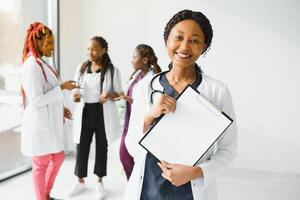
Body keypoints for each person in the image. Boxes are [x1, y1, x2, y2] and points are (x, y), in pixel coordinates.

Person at [123, 10, 237, 200]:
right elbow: (132, 147)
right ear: (167, 40)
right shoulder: (145, 88)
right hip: (147, 187)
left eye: (194, 40)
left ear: (204, 47)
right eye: (178, 37)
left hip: (191, 191)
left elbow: (228, 151)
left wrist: (195, 173)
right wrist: (150, 116)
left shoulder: (218, 92)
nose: (184, 46)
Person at [21, 22, 77, 200]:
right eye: (49, 43)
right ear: (37, 42)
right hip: (39, 124)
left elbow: (48, 93)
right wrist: (62, 89)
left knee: (58, 157)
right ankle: (42, 197)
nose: (52, 47)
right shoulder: (31, 66)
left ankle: (45, 194)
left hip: (49, 122)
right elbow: (37, 99)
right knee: (41, 163)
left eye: (53, 43)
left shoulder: (41, 64)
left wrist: (61, 108)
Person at [69, 36, 122, 199]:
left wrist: (109, 95)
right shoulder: (82, 67)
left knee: (101, 147)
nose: (89, 52)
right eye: (88, 49)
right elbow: (75, 89)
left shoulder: (112, 70)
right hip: (85, 111)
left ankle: (99, 181)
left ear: (103, 51)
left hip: (101, 112)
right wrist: (75, 95)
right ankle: (80, 181)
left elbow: (119, 94)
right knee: (81, 146)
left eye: (93, 49)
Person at [116, 44, 161, 180]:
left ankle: (137, 184)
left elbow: (153, 107)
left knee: (127, 155)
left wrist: (130, 99)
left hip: (141, 124)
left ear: (145, 60)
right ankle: (134, 184)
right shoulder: (136, 76)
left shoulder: (152, 80)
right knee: (125, 155)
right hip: (128, 122)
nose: (132, 60)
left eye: (135, 57)